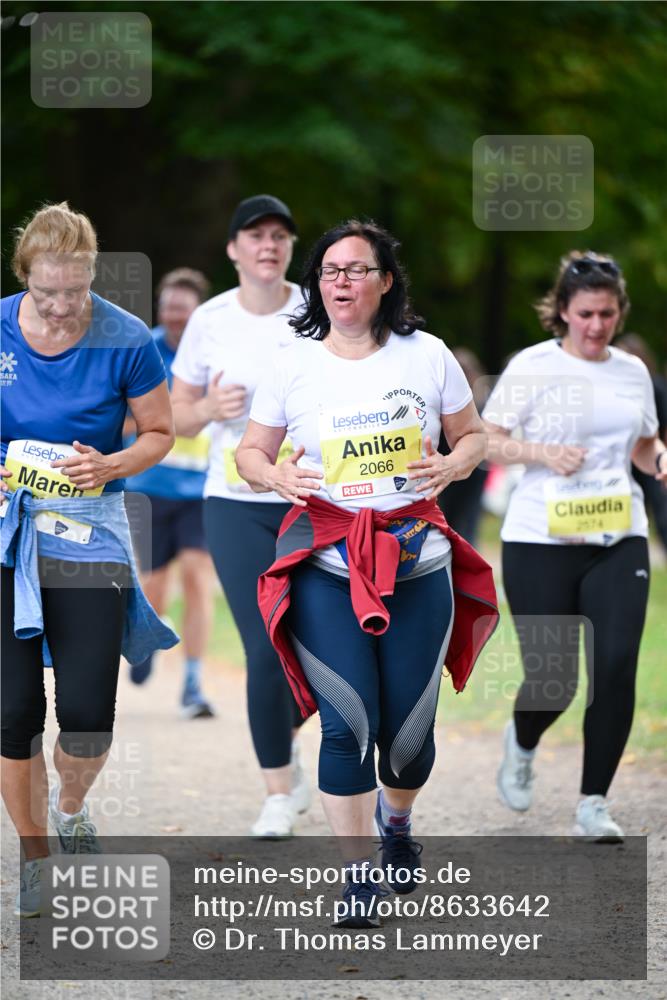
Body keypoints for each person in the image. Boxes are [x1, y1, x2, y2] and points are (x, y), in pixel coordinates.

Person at [236, 219, 498, 927]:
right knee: (348, 724)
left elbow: (472, 434)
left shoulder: (427, 354)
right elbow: (249, 454)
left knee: (406, 742)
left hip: (416, 557)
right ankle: (357, 878)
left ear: (385, 281)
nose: (341, 281)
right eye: (329, 270)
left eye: (357, 269)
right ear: (317, 284)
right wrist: (274, 475)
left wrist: (452, 462)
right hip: (326, 558)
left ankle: (398, 820)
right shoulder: (293, 363)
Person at [1, 202, 178, 917]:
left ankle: (71, 806)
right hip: (9, 533)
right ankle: (35, 854)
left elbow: (160, 433)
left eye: (74, 291)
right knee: (11, 714)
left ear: (91, 277)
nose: (63, 306)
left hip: (89, 533)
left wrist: (111, 462)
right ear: (25, 279)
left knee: (85, 713)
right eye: (48, 293)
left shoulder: (127, 336)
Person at [482, 252, 667, 842]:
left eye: (607, 313)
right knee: (553, 680)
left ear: (619, 312)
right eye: (585, 313)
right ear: (562, 311)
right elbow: (488, 440)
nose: (596, 325)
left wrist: (659, 459)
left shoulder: (632, 371)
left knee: (615, 666)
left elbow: (642, 442)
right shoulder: (533, 367)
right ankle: (524, 739)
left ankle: (593, 802)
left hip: (618, 534)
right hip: (540, 538)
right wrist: (542, 454)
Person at [170, 195, 310, 836]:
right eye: (255, 235)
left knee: (316, 641)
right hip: (233, 499)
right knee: (264, 642)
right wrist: (208, 408)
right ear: (233, 249)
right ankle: (277, 791)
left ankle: (292, 730)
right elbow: (175, 412)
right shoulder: (210, 319)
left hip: (310, 498)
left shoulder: (316, 310)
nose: (269, 245)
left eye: (280, 235)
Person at [125, 268, 217, 718]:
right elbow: (123, 420)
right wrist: (181, 417)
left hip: (202, 491)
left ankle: (193, 683)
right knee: (154, 587)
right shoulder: (145, 350)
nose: (174, 317)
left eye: (183, 310)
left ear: (199, 313)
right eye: (168, 309)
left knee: (199, 580)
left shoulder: (218, 354)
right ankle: (146, 642)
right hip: (150, 487)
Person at [615, 333, 667, 558]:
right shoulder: (614, 386)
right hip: (625, 457)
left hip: (650, 453)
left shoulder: (653, 384)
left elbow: (663, 422)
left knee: (660, 507)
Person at [437, 347, 490, 545]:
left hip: (465, 466)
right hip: (457, 465)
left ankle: (464, 547)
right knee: (466, 516)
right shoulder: (479, 399)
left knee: (461, 515)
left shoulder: (475, 401)